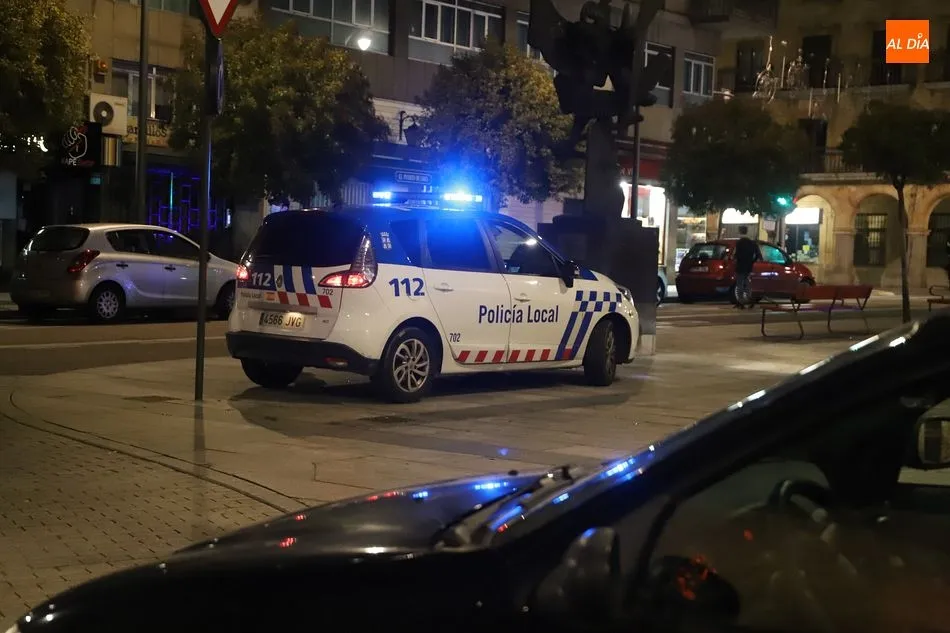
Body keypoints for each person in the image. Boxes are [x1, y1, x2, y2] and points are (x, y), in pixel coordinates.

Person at [733, 225, 760, 309]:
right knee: (747, 283)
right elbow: (758, 254)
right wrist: (752, 261)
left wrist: (735, 259)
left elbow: (736, 255)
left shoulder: (739, 243)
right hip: (748, 266)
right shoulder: (752, 243)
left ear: (740, 231)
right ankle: (749, 299)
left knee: (740, 284)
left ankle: (741, 301)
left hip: (740, 266)